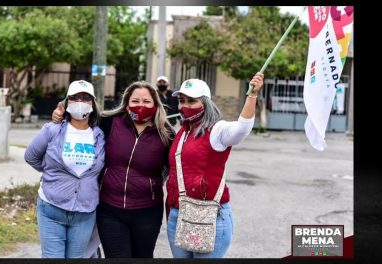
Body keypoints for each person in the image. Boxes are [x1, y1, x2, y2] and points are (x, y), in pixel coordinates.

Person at [52, 81, 174, 258]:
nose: (140, 106)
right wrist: (59, 116)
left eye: (146, 101)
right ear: (126, 103)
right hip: (110, 210)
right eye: (135, 101)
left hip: (147, 212)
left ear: (155, 103)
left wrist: (154, 182)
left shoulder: (166, 133)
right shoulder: (109, 122)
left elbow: (175, 167)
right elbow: (78, 125)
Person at [166, 73, 264, 258]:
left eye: (191, 101)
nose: (184, 106)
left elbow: (242, 129)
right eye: (181, 100)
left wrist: (252, 96)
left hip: (208, 216)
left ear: (205, 103)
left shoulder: (217, 130)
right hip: (177, 214)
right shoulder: (183, 132)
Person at [24, 80, 105, 258]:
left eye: (85, 98)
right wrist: (51, 174)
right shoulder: (52, 130)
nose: (80, 102)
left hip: (85, 212)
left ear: (92, 103)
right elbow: (30, 156)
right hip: (51, 207)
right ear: (66, 102)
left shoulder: (99, 135)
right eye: (75, 98)